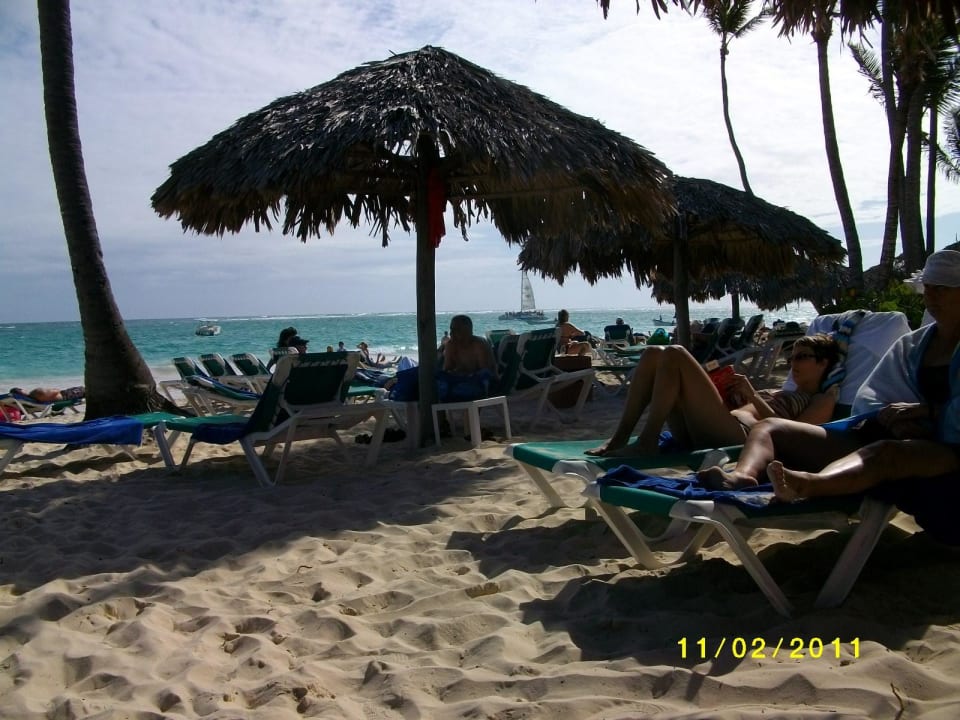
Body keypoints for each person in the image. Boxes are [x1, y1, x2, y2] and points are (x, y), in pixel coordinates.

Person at [698, 249, 960, 497]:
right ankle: (743, 476)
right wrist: (892, 417)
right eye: (928, 288)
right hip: (890, 433)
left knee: (886, 454)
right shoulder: (911, 346)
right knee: (770, 427)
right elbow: (871, 396)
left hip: (945, 447)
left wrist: (929, 415)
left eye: (942, 289)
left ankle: (810, 484)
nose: (932, 296)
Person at [586, 333, 841, 457]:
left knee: (675, 352)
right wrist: (732, 393)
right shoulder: (782, 390)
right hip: (714, 426)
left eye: (802, 357)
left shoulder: (823, 398)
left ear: (823, 363)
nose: (793, 362)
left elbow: (796, 437)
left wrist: (752, 395)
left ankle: (647, 440)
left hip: (740, 437)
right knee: (653, 353)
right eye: (791, 356)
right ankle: (620, 437)